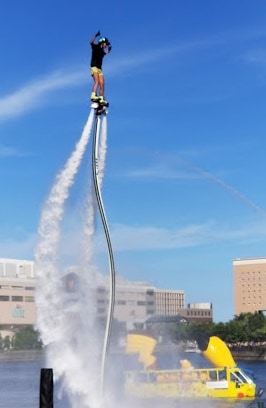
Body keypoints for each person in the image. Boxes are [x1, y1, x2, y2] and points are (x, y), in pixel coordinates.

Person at [90, 30, 112, 105]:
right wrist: (95, 36)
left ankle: (101, 98)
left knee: (102, 84)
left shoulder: (102, 51)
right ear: (102, 42)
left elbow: (105, 53)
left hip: (99, 69)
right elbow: (90, 42)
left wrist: (108, 51)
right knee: (97, 82)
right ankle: (93, 95)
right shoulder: (95, 47)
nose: (106, 45)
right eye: (106, 43)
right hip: (94, 67)